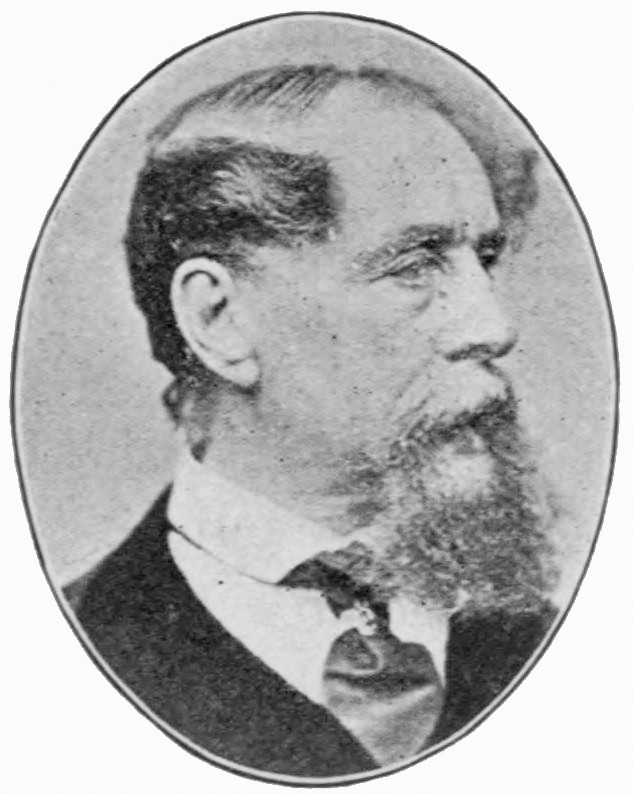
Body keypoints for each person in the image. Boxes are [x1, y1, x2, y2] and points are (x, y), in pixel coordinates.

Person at [65, 64, 559, 779]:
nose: (493, 327)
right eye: (414, 266)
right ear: (219, 320)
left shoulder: (561, 649)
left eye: (482, 259)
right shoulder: (54, 662)